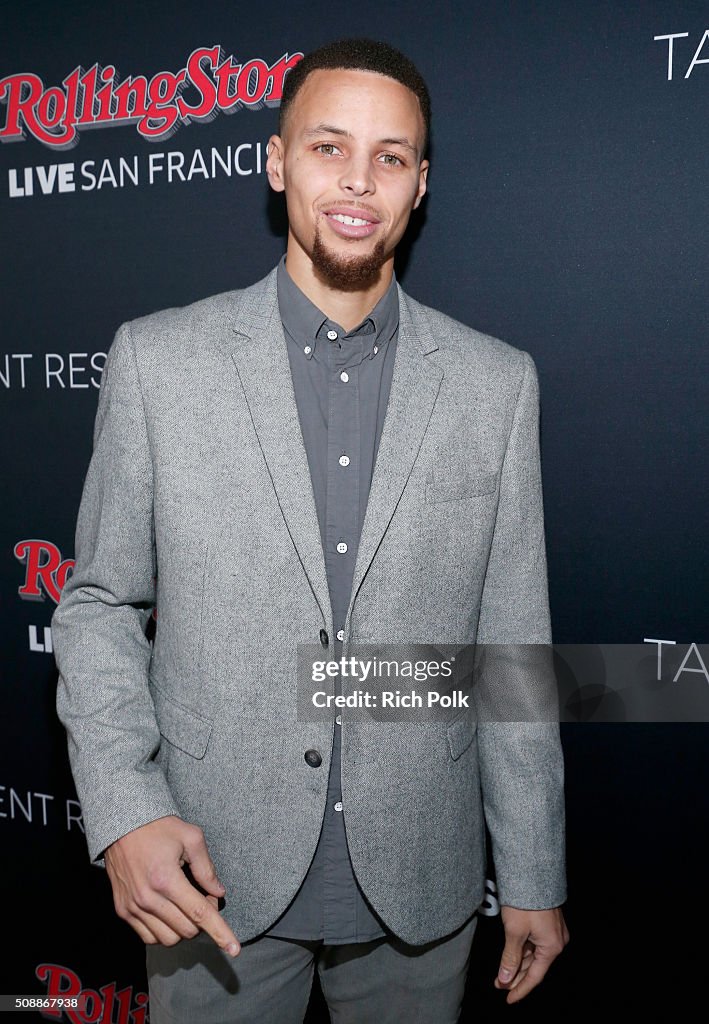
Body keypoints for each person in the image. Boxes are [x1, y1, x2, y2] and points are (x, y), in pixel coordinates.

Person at [52, 36, 569, 1024]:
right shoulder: (159, 362)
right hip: (212, 878)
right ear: (277, 161)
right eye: (330, 146)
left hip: (422, 886)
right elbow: (99, 603)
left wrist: (535, 866)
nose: (359, 180)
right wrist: (125, 808)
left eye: (390, 156)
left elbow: (510, 652)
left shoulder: (494, 384)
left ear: (420, 184)